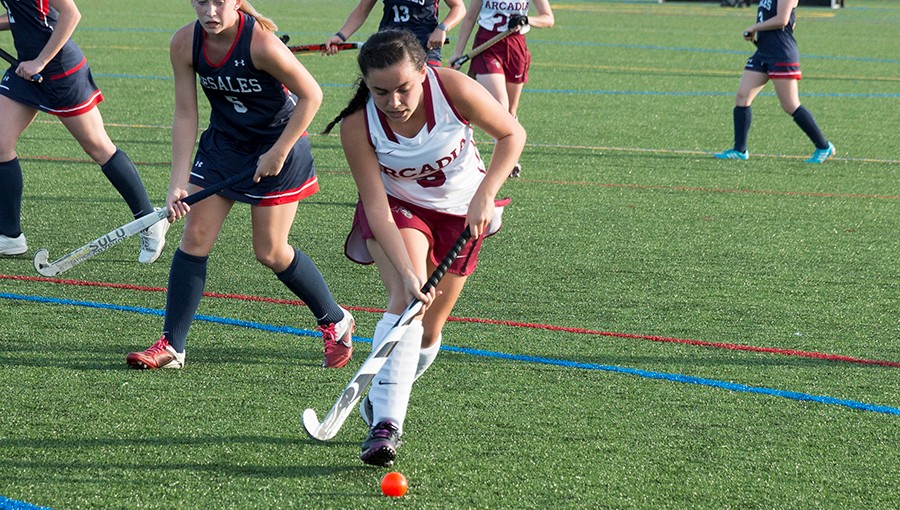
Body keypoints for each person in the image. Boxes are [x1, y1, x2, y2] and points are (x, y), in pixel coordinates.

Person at [322, 29, 525, 467]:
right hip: (399, 209)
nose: (393, 102)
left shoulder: (452, 88)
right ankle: (386, 426)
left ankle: (379, 394)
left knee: (430, 330)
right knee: (405, 300)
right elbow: (376, 206)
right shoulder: (358, 125)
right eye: (380, 92)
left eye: (403, 89)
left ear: (423, 72)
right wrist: (407, 271)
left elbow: (512, 135)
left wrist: (486, 194)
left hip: (462, 212)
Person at [125, 0, 354, 370]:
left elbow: (312, 95)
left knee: (270, 251)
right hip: (225, 145)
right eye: (202, 2)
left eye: (220, 2)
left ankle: (335, 319)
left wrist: (278, 152)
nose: (210, 11)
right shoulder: (184, 42)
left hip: (279, 144)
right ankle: (172, 346)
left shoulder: (261, 44)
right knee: (194, 238)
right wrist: (177, 181)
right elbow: (185, 112)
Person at [0, 0, 168, 260]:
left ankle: (149, 219)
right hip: (26, 70)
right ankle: (10, 235)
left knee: (98, 147)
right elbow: (23, 15)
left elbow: (71, 14)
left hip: (58, 71)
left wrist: (40, 62)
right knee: (0, 144)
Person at [713, 0, 835, 163]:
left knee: (790, 105)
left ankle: (823, 146)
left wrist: (755, 27)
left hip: (780, 54)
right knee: (742, 97)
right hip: (763, 52)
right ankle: (739, 150)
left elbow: (782, 20)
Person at [449, 0, 554, 177]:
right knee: (501, 105)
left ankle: (511, 154)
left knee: (511, 112)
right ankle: (507, 162)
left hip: (516, 47)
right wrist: (457, 52)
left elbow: (548, 19)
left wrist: (527, 20)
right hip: (487, 45)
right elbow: (470, 18)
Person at [323, 0, 465, 67]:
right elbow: (362, 9)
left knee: (429, 95)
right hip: (389, 45)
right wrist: (341, 36)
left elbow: (459, 7)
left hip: (424, 47)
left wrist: (442, 28)